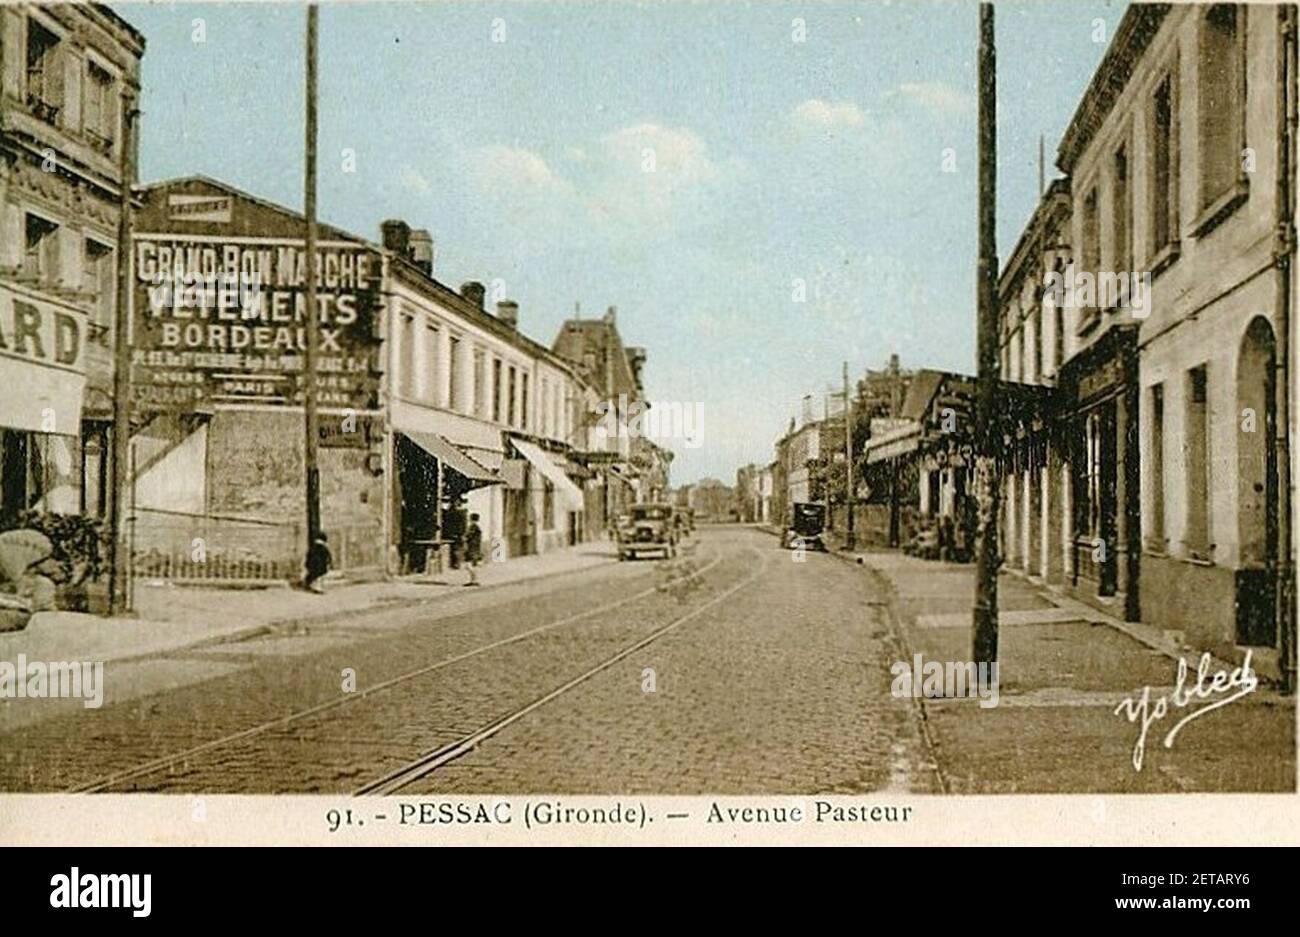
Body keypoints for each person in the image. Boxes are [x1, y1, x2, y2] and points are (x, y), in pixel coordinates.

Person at [463, 513, 483, 586]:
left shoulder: (473, 527)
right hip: (475, 548)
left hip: (472, 548)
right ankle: (473, 580)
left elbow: (468, 536)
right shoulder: (477, 527)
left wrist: (465, 538)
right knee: (473, 565)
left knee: (468, 565)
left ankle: (474, 580)